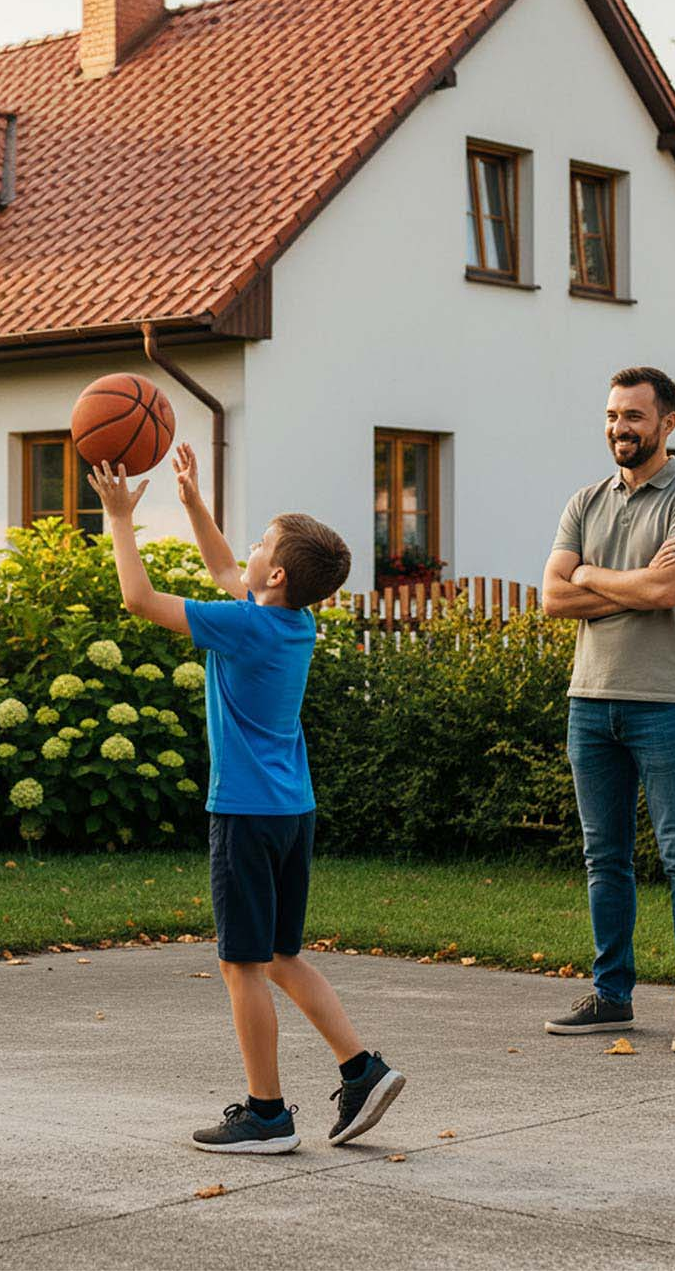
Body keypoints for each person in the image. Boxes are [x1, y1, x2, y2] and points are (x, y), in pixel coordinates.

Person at [86, 444, 404, 1153]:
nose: (249, 550)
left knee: (242, 964)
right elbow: (230, 571)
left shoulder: (247, 625)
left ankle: (267, 1114)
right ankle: (362, 1069)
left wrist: (118, 519)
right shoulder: (291, 623)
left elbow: (138, 599)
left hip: (246, 815)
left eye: (262, 542)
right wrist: (193, 501)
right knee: (284, 955)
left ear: (280, 573)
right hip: (292, 812)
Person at [541, 367, 675, 1054]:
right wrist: (628, 582)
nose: (621, 428)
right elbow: (553, 598)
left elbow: (669, 590)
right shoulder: (586, 501)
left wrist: (590, 574)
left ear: (667, 423)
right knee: (603, 857)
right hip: (589, 701)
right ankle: (612, 995)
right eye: (613, 415)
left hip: (668, 705)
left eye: (635, 417)